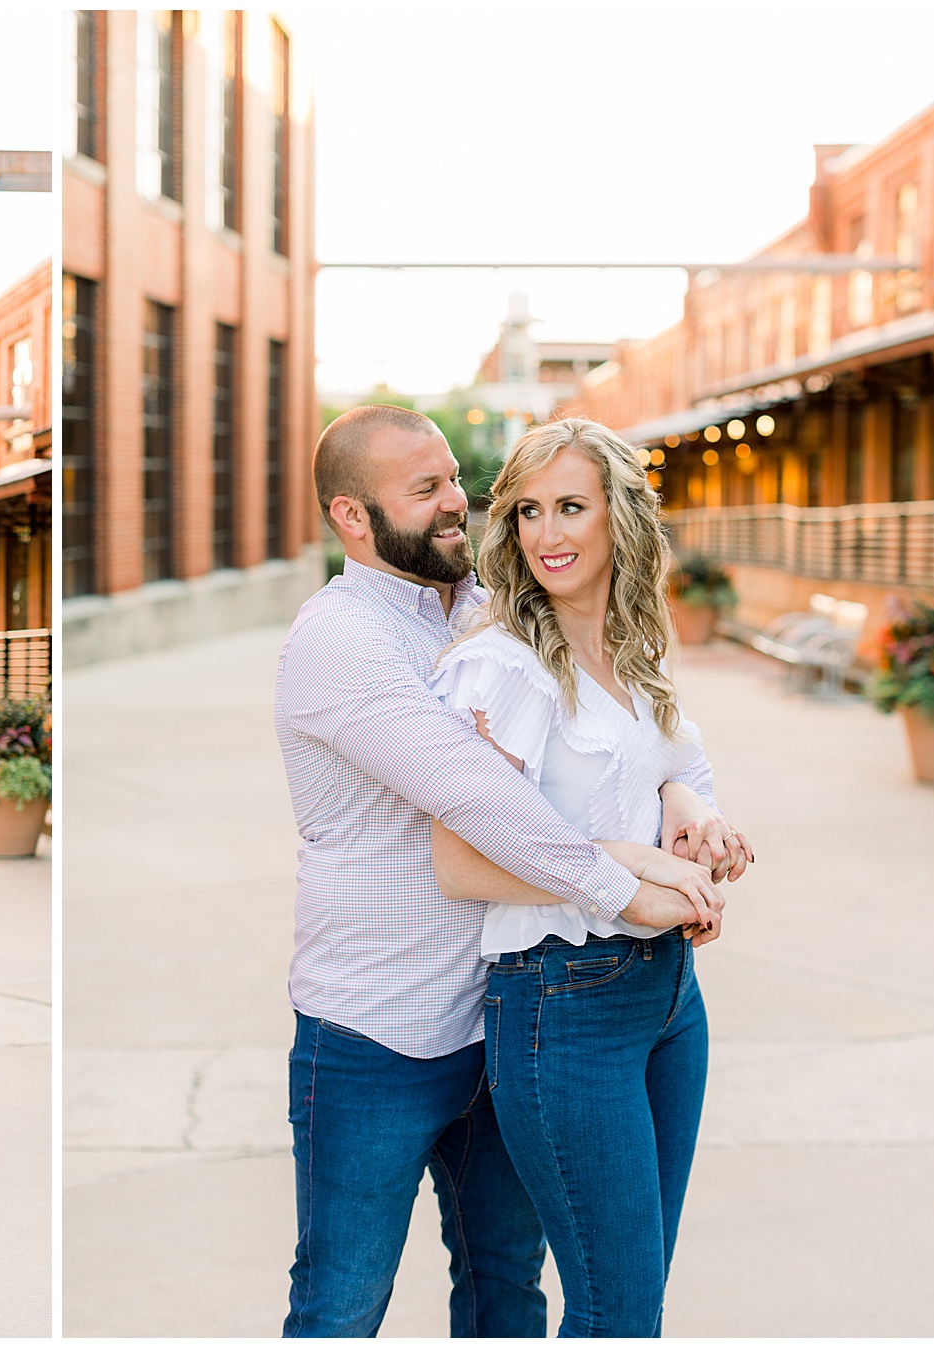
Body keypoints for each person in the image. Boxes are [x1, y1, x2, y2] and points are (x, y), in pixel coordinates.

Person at [273, 404, 749, 1337]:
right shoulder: (341, 642)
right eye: (426, 489)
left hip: (498, 1016)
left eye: (456, 478)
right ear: (351, 517)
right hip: (381, 1027)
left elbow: (614, 741)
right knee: (341, 1301)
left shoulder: (490, 610)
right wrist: (629, 881)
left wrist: (680, 799)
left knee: (505, 1289)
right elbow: (481, 807)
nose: (460, 502)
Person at [428, 418, 751, 1336]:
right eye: (528, 511)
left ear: (620, 517)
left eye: (571, 506)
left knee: (635, 1303)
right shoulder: (501, 668)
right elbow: (463, 862)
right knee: (618, 1314)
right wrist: (627, 863)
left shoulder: (632, 644)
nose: (547, 534)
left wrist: (691, 813)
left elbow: (668, 763)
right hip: (564, 1007)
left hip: (669, 997)